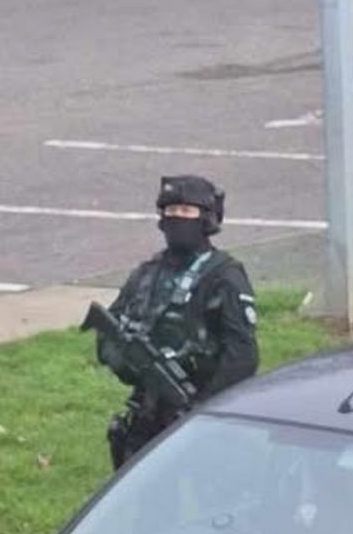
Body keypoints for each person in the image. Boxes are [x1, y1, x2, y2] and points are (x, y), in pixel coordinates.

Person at [95, 175, 259, 469]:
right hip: (146, 413)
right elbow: (108, 330)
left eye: (186, 212)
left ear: (206, 218)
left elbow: (243, 356)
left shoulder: (224, 276)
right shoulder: (146, 274)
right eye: (170, 212)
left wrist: (204, 405)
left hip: (201, 413)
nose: (177, 219)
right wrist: (127, 363)